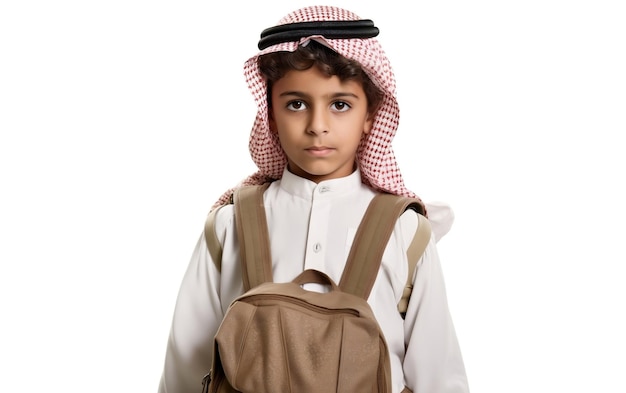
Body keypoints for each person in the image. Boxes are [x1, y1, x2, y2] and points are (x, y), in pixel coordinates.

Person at [158, 5, 469, 393]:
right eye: (296, 104)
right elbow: (185, 365)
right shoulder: (231, 223)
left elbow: (438, 375)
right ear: (270, 113)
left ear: (371, 113)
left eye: (340, 104)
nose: (317, 125)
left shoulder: (405, 230)